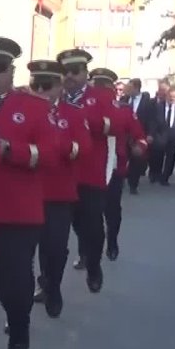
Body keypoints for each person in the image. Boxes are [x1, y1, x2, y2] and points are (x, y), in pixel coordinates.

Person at [0, 37, 53, 349]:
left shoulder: (34, 107)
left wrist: (13, 151)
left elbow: (49, 154)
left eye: (0, 68)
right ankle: (15, 314)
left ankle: (20, 329)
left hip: (18, 213)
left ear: (12, 71)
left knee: (14, 280)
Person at [31, 60, 89, 319]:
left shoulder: (73, 113)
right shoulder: (22, 110)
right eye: (37, 84)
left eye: (47, 85)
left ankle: (52, 286)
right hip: (27, 193)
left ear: (59, 87)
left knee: (55, 247)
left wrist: (61, 146)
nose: (41, 90)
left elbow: (83, 147)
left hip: (58, 193)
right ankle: (21, 305)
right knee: (23, 254)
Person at [58, 48, 115, 292]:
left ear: (85, 72)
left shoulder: (100, 96)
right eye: (65, 71)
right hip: (59, 175)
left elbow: (116, 123)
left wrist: (81, 118)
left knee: (90, 227)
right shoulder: (53, 95)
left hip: (90, 174)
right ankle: (49, 283)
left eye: (75, 71)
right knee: (54, 235)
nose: (69, 76)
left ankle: (93, 265)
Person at [93, 70, 146, 260]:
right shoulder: (84, 109)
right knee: (89, 214)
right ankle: (88, 251)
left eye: (103, 86)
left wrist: (140, 146)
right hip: (90, 169)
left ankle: (112, 239)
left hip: (114, 168)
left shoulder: (123, 111)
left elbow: (139, 135)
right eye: (96, 85)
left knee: (112, 209)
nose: (99, 90)